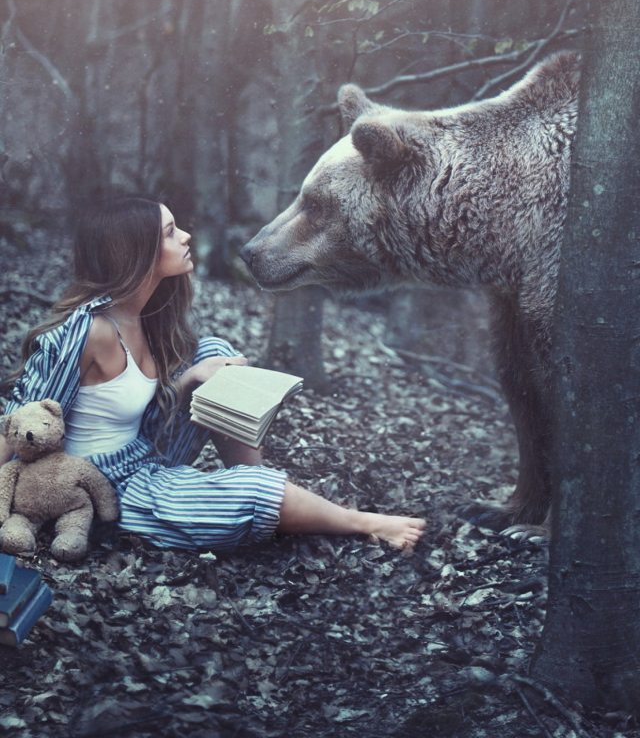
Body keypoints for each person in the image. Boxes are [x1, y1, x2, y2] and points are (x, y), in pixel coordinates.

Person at [1, 197, 425, 554]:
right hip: (101, 488)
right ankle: (354, 520)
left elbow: (138, 404)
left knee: (214, 354)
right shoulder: (88, 331)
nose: (184, 236)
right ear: (135, 251)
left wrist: (187, 382)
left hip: (144, 452)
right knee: (256, 495)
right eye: (169, 232)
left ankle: (248, 480)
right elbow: (20, 422)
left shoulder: (146, 317)